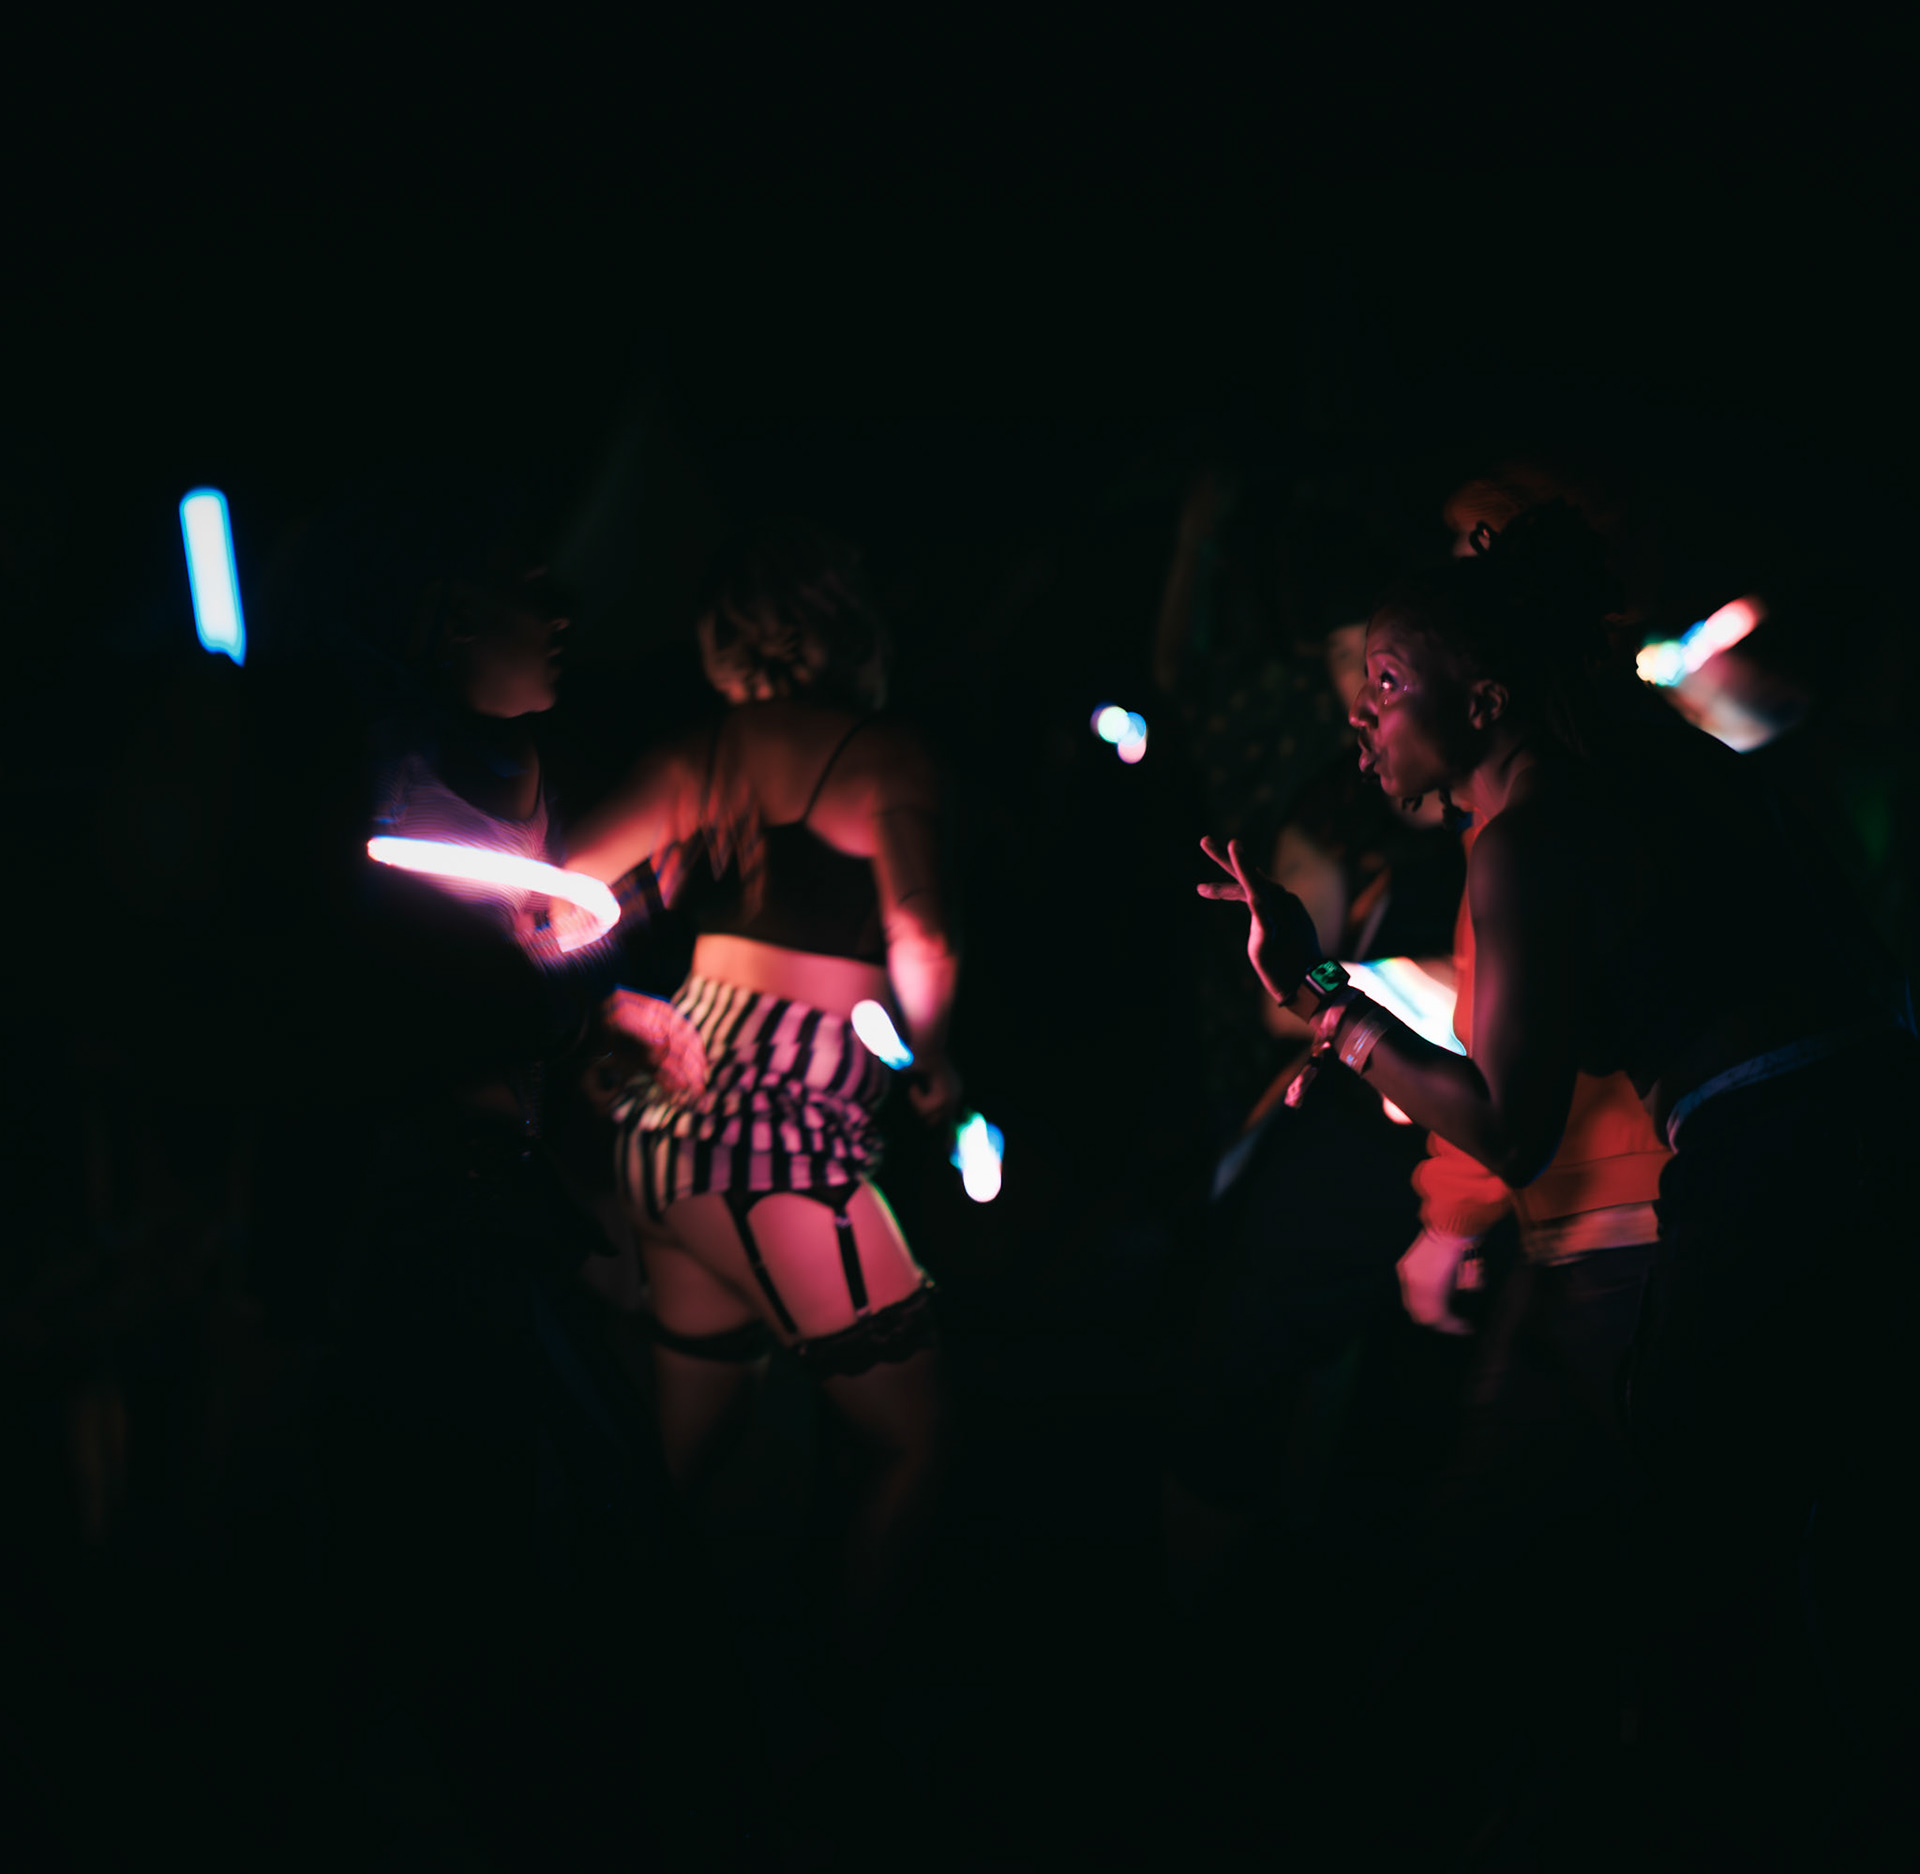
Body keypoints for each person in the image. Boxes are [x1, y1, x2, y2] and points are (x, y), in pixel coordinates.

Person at [1199, 503, 1918, 1860]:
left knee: (1697, 1576)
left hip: (1766, 1166)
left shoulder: (1530, 832)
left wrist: (1323, 998)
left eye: (1389, 683)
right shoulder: (1655, 766)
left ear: (1483, 699)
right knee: (1794, 1559)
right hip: (1860, 1129)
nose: (1361, 715)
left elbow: (1508, 1125)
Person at [563, 524, 959, 1675]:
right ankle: (836, 1722)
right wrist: (933, 1056)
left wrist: (609, 1007)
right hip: (783, 1147)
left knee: (674, 1468)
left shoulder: (694, 756)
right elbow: (922, 934)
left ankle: (600, 1692)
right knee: (918, 1443)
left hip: (666, 1137)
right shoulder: (884, 754)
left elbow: (542, 900)